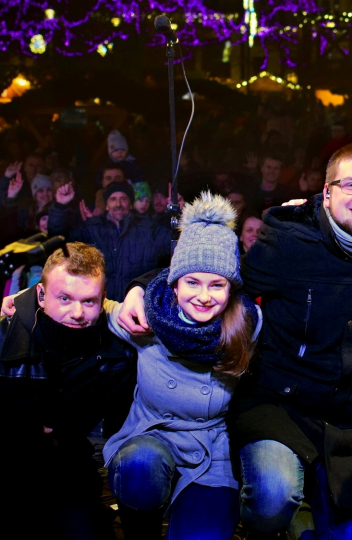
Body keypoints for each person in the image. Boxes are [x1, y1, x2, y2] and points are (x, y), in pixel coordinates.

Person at [117, 142, 352, 539]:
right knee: (272, 498)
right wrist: (142, 288)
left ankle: (304, 529)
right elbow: (222, 277)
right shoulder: (289, 240)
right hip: (280, 409)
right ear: (327, 193)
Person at [102, 192, 262, 540]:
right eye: (192, 282)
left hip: (210, 453)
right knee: (140, 468)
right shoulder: (148, 317)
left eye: (217, 285)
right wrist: (24, 304)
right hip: (150, 435)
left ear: (231, 289)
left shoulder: (246, 325)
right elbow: (89, 307)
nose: (204, 296)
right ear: (173, 283)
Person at [0, 242, 137, 540]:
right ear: (40, 295)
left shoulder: (116, 353)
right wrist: (13, 433)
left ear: (103, 300)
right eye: (64, 298)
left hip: (66, 475)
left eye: (89, 301)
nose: (77, 312)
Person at [48, 181, 172, 301]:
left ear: (130, 204)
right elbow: (59, 243)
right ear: (106, 205)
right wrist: (60, 207)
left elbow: (178, 244)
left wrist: (179, 215)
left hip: (137, 307)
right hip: (100, 309)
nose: (118, 204)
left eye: (123, 199)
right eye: (113, 199)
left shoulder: (149, 230)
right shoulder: (92, 229)